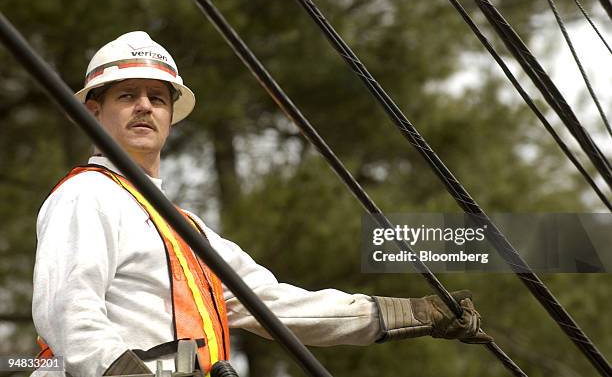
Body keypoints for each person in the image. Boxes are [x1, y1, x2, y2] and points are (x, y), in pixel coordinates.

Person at [31, 31, 491, 377]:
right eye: (127, 95)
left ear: (172, 115)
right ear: (93, 110)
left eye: (157, 97)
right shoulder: (85, 195)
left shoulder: (183, 229)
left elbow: (277, 306)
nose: (145, 107)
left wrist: (414, 314)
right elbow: (68, 315)